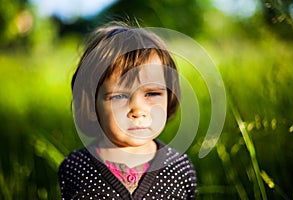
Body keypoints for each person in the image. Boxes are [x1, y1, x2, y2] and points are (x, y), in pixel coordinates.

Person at [58, 22, 197, 199]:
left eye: (152, 93)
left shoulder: (179, 166)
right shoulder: (76, 167)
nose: (138, 110)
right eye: (119, 96)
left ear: (169, 98)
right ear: (92, 105)